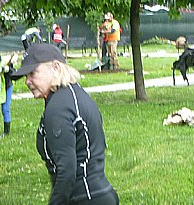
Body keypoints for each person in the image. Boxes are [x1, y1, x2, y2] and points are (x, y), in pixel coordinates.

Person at [10, 44, 119, 205]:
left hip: (83, 199)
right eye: (26, 76)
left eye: (33, 73)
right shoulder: (75, 94)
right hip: (101, 195)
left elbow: (67, 173)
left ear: (56, 67)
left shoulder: (58, 108)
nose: (27, 81)